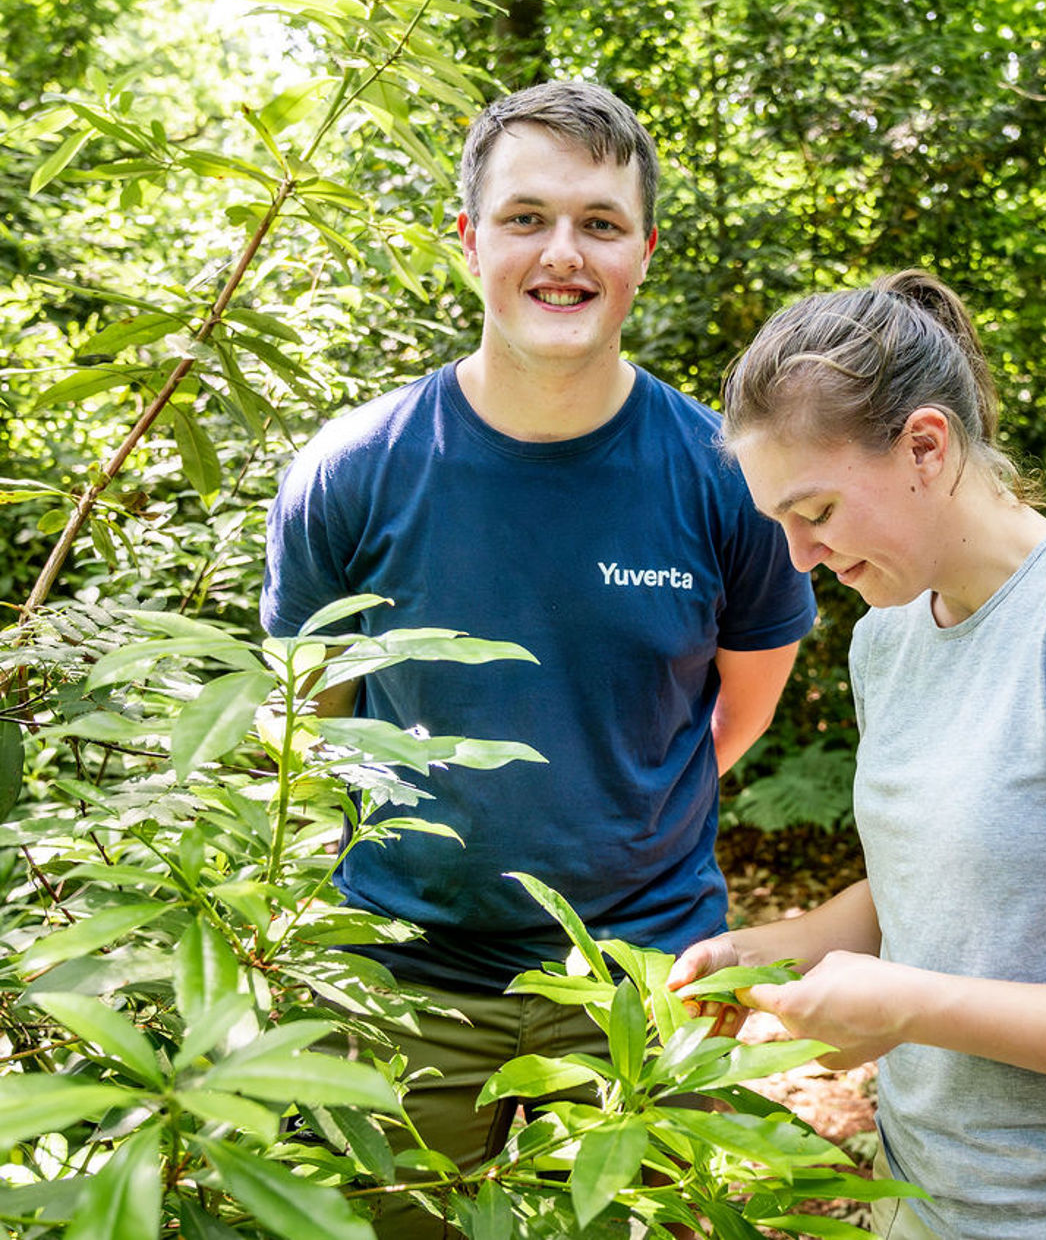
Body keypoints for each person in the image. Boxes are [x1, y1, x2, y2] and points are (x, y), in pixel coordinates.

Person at [260, 80, 816, 1235]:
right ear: (468, 239)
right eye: (526, 218)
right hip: (402, 982)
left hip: (642, 983)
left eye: (600, 224)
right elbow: (312, 732)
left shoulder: (729, 477)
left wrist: (623, 821)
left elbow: (743, 709)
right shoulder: (353, 470)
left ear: (644, 253)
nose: (562, 254)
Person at [668, 270, 1046, 1240]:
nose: (797, 558)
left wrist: (909, 1008)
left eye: (817, 511)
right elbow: (931, 890)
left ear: (926, 446)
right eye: (779, 522)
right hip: (925, 1203)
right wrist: (765, 953)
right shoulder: (890, 636)